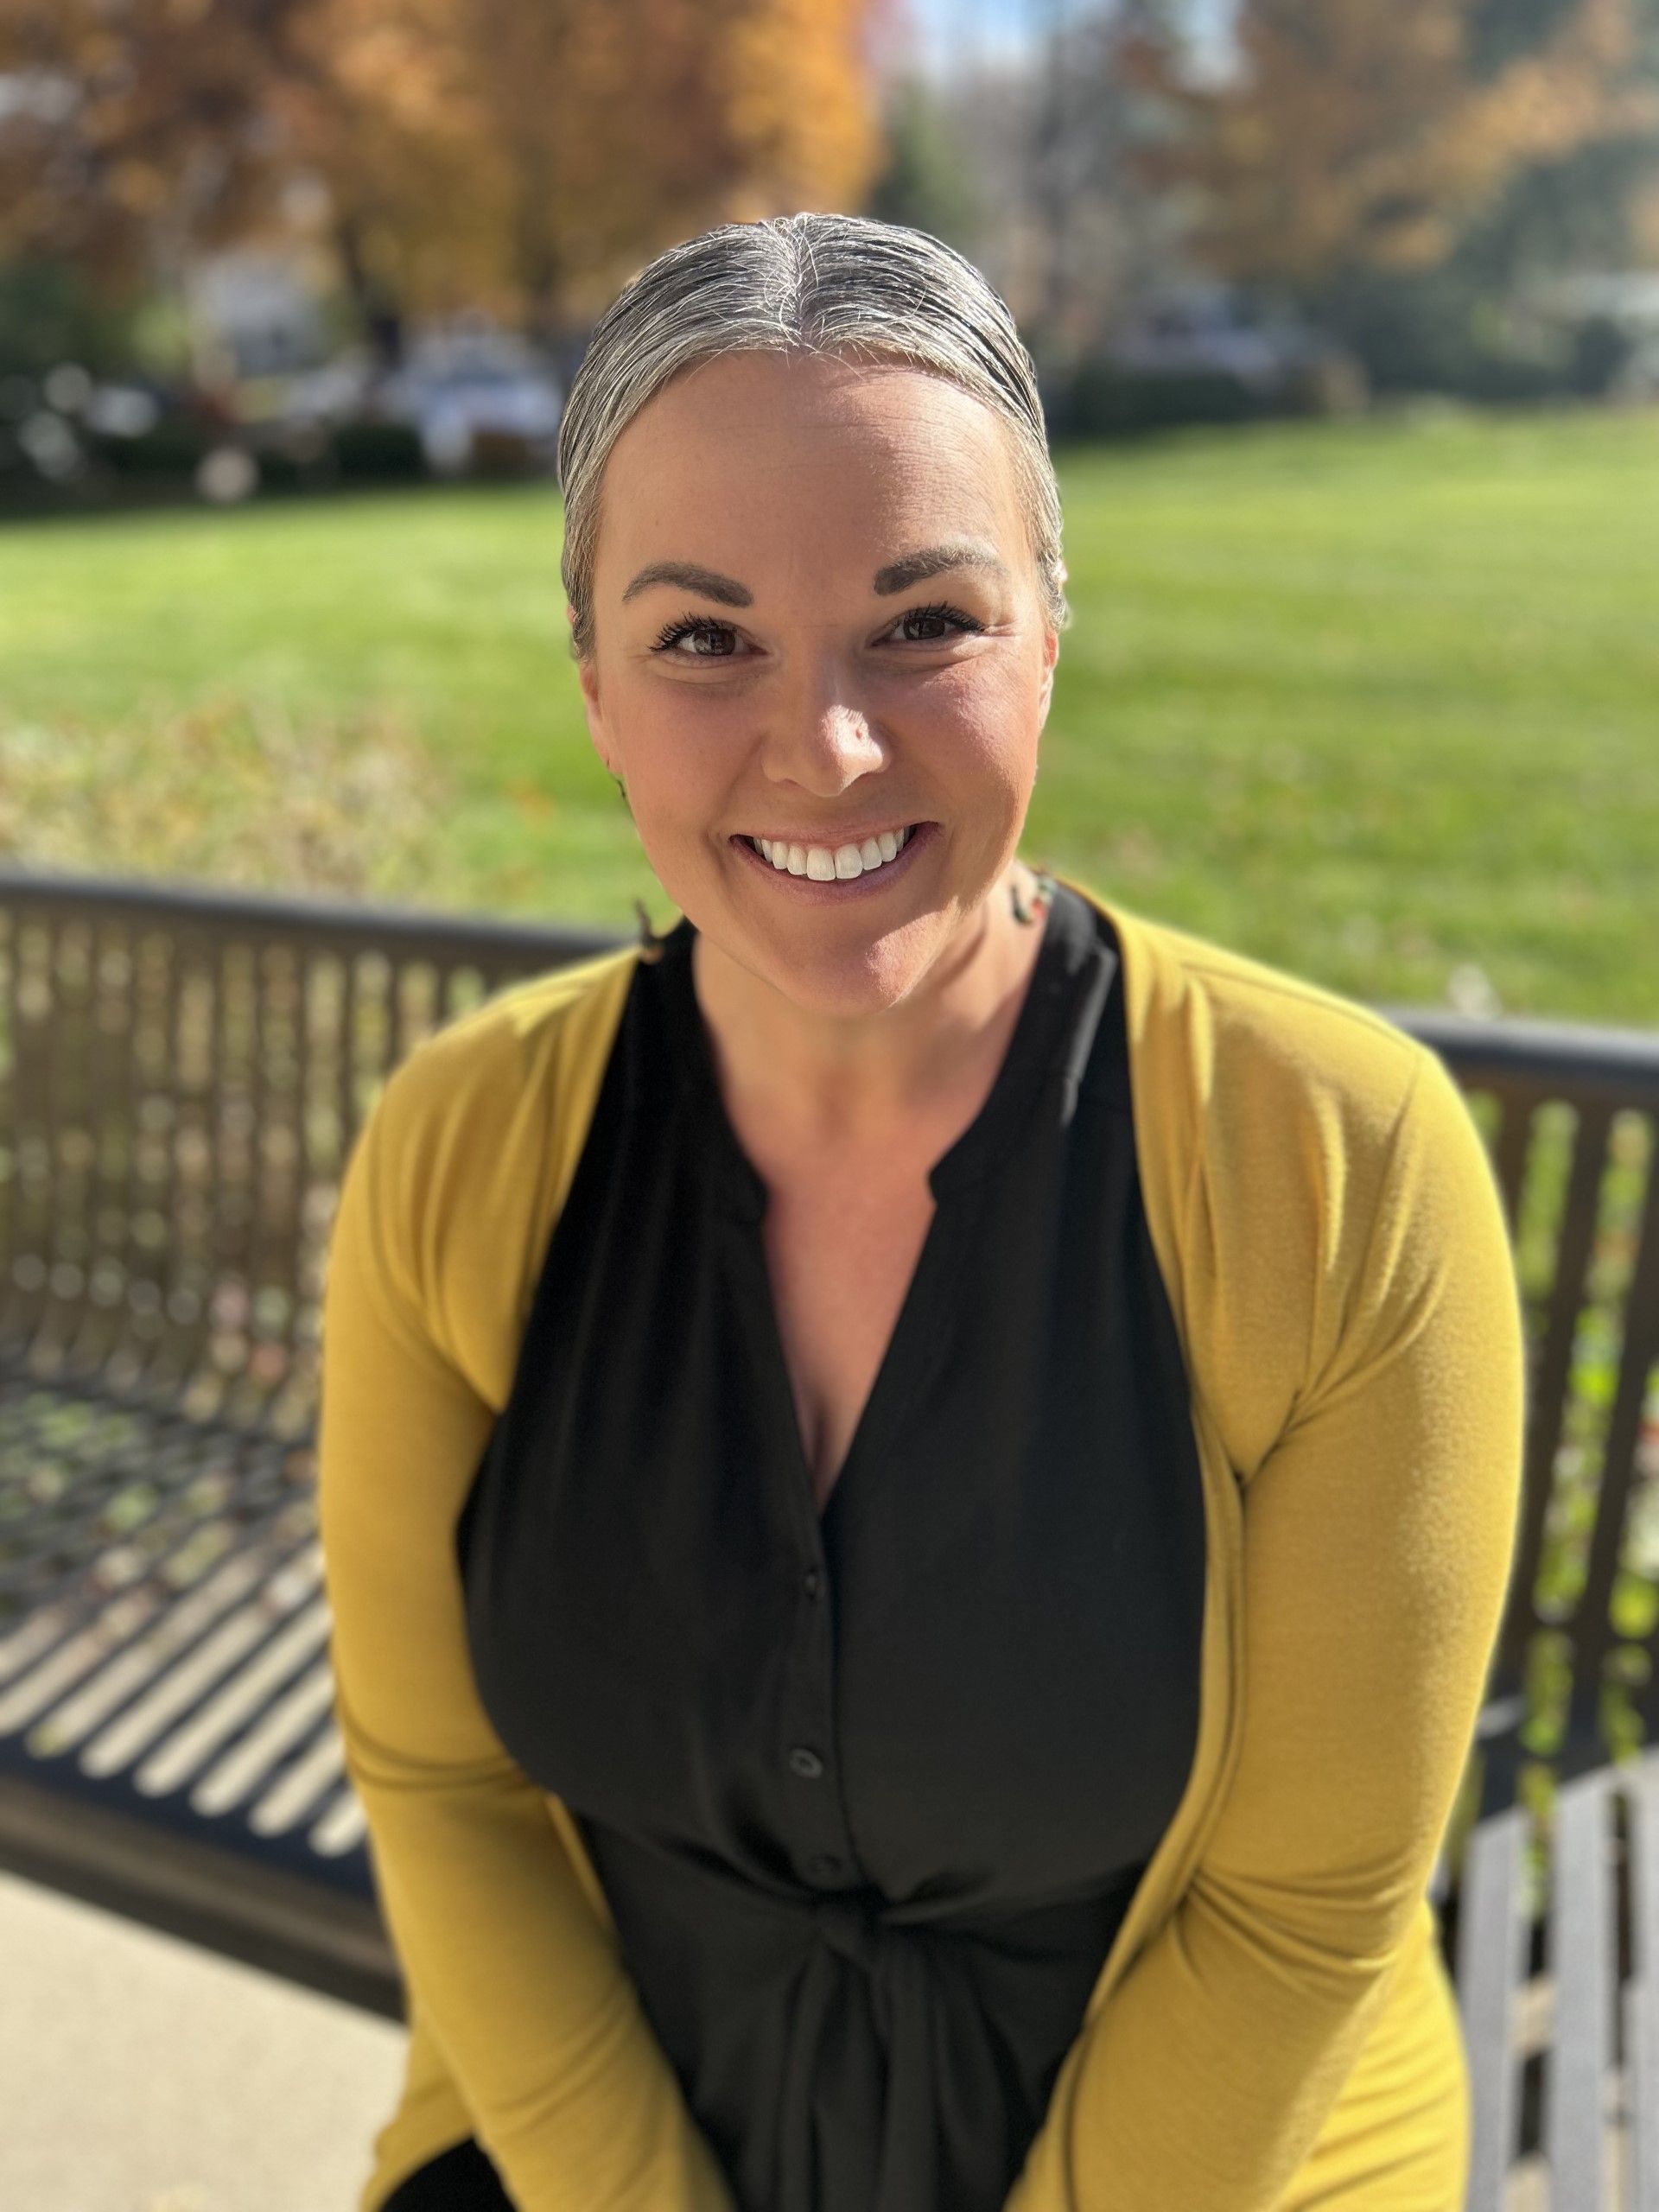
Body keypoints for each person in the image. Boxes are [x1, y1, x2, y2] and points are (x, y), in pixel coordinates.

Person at [316, 213, 1526, 2212]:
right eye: (704, 638)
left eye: (928, 620)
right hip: (617, 2140)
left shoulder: (1336, 1162)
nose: (833, 744)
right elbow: (440, 1780)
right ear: (601, 691)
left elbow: (1302, 1907)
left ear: (1053, 630)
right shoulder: (463, 1152)